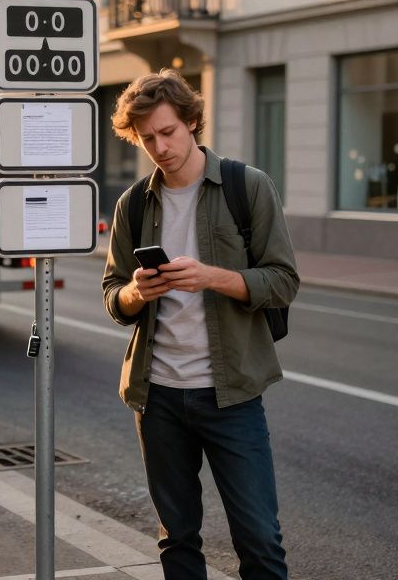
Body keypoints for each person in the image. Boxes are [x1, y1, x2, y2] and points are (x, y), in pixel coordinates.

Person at [101, 70, 299, 580]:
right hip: (159, 396)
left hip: (230, 395)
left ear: (192, 123)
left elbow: (282, 282)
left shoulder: (246, 186)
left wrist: (215, 277)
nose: (159, 147)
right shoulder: (133, 205)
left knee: (259, 539)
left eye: (168, 132)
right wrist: (134, 293)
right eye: (147, 139)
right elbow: (113, 295)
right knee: (178, 537)